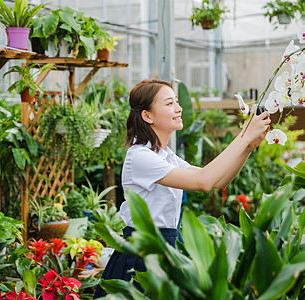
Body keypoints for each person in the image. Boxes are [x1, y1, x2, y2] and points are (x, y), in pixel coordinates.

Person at [93, 79, 270, 298]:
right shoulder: (139, 156)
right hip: (142, 255)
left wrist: (248, 147)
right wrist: (243, 137)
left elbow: (218, 181)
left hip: (166, 249)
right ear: (147, 116)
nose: (179, 108)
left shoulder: (167, 157)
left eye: (177, 102)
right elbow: (204, 181)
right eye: (169, 104)